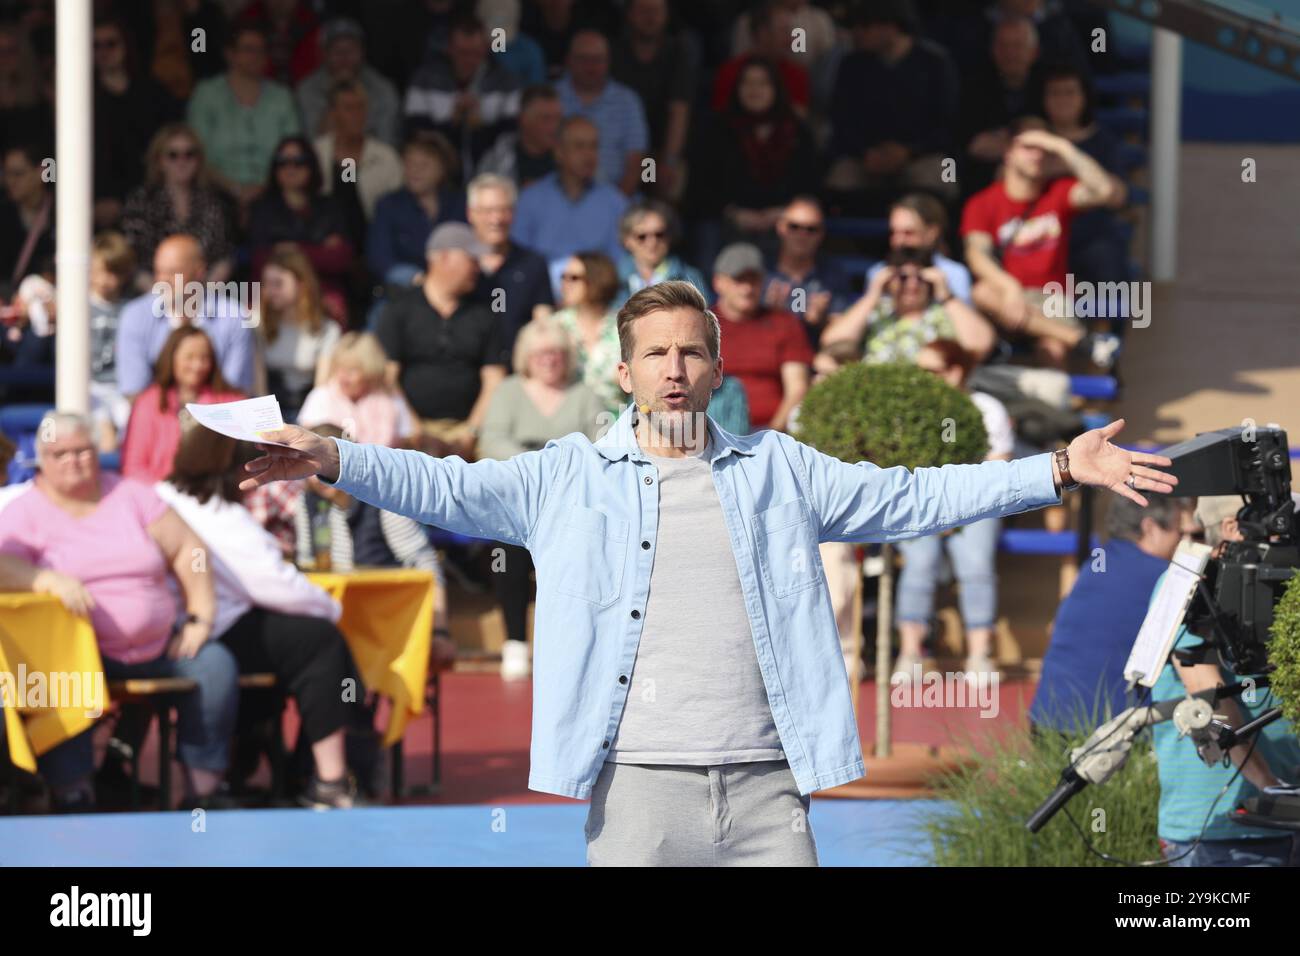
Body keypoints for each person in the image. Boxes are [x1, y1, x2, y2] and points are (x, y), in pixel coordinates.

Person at [239, 279, 1177, 866]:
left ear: (720, 366)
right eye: (656, 353)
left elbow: (912, 497)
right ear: (624, 373)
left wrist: (1056, 469)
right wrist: (333, 454)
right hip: (639, 793)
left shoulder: (782, 468)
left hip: (771, 787)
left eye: (692, 350)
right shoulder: (562, 478)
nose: (675, 368)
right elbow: (440, 483)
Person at [0, 412, 238, 812]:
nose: (75, 460)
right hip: (78, 653)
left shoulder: (132, 495)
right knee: (60, 677)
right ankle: (72, 792)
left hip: (161, 646)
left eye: (84, 451)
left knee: (215, 666)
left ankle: (203, 792)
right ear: (42, 460)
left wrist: (200, 617)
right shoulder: (23, 510)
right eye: (62, 454)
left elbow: (191, 551)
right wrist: (46, 578)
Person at [156, 421, 366, 809]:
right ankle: (330, 780)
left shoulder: (163, 496)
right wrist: (332, 609)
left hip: (178, 627)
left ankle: (279, 767)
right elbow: (273, 584)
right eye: (251, 463)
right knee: (319, 640)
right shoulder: (217, 513)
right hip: (204, 631)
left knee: (300, 640)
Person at [1152, 495, 1300, 866]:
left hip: (1283, 824)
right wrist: (1270, 787)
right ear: (1233, 528)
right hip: (1218, 834)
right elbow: (1210, 700)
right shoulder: (1188, 585)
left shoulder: (1282, 585)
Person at [479, 317, 605, 679]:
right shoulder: (508, 391)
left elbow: (602, 440)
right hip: (519, 495)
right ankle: (515, 642)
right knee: (510, 548)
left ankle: (573, 646)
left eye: (555, 354)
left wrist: (562, 470)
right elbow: (492, 440)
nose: (548, 361)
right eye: (540, 355)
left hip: (573, 496)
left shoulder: (585, 394)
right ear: (526, 358)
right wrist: (537, 467)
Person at [892, 340, 1017, 682]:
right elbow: (899, 464)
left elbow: (999, 465)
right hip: (921, 502)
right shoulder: (908, 408)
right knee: (920, 562)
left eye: (929, 370)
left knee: (975, 564)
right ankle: (910, 655)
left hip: (976, 503)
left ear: (954, 371)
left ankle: (979, 656)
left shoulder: (985, 407)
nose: (921, 378)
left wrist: (958, 505)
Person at [961, 123, 1125, 368]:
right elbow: (976, 254)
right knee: (982, 291)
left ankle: (1054, 402)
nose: (1037, 154)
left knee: (1053, 350)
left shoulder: (1058, 192)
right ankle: (1082, 341)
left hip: (1051, 297)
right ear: (1008, 152)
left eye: (1044, 149)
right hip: (1004, 298)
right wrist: (1010, 288)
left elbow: (1104, 190)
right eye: (1028, 147)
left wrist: (1063, 147)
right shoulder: (983, 202)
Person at [291, 422, 452, 672]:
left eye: (324, 464)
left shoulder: (381, 499)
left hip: (384, 615)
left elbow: (424, 563)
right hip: (332, 615)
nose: (318, 476)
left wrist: (439, 630)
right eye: (311, 467)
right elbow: (306, 562)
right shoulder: (307, 502)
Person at [1028, 494, 1192, 733]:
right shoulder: (1166, 577)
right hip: (1106, 738)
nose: (1183, 541)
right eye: (1180, 531)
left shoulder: (1097, 563)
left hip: (1045, 721)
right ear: (1150, 528)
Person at [375, 222, 507, 459]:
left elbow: (494, 379)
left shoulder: (484, 315)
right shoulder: (398, 310)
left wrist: (471, 431)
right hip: (411, 429)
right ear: (444, 257)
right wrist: (415, 429)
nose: (478, 268)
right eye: (472, 259)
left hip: (471, 431)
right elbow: (387, 376)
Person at [825, 0, 959, 199]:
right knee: (839, 178)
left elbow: (949, 124)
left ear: (890, 27)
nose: (856, 33)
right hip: (864, 157)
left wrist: (909, 152)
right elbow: (840, 120)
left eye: (864, 27)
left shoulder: (935, 63)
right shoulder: (851, 65)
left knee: (943, 176)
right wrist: (865, 153)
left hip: (922, 156)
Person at [689, 58, 819, 256]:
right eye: (747, 82)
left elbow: (810, 184)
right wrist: (734, 213)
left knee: (801, 226)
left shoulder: (796, 131)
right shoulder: (717, 129)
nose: (754, 89)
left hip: (783, 222)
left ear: (776, 88)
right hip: (730, 222)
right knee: (708, 230)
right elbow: (701, 185)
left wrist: (783, 212)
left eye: (763, 83)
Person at [115, 235, 256, 399]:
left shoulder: (235, 317)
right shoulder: (135, 316)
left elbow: (233, 392)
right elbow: (134, 392)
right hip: (155, 417)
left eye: (173, 273)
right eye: (159, 272)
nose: (163, 280)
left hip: (218, 417)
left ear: (199, 272)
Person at [186, 25, 301, 223]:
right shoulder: (206, 94)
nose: (257, 56)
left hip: (274, 194)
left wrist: (263, 188)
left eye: (262, 50)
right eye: (249, 49)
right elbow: (195, 152)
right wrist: (235, 190)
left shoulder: (282, 97)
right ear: (230, 54)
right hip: (215, 193)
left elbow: (293, 151)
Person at [1038, 63, 1130, 287]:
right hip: (1039, 233)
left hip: (1090, 233)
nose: (1062, 100)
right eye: (1054, 93)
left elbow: (1117, 196)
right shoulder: (1034, 137)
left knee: (1105, 258)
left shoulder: (1104, 141)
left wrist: (1067, 164)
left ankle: (1103, 322)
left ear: (1084, 97)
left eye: (1070, 92)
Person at [822, 246, 997, 364]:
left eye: (920, 277)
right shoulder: (875, 311)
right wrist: (873, 295)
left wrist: (947, 296)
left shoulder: (946, 311)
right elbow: (832, 344)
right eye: (904, 278)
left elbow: (980, 346)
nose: (912, 285)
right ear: (889, 279)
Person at [404, 14, 522, 179]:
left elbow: (512, 137)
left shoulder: (505, 82)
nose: (469, 60)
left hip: (492, 170)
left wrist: (480, 126)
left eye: (475, 53)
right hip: (438, 172)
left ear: (485, 49)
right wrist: (451, 122)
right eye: (462, 53)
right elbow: (415, 133)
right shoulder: (425, 80)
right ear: (449, 49)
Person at [90, 16, 182, 229]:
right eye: (96, 45)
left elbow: (167, 144)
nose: (104, 51)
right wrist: (96, 201)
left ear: (126, 46)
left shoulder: (153, 92)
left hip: (151, 197)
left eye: (111, 43)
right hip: (96, 205)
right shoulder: (80, 98)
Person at [121, 326, 246, 483]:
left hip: (216, 493)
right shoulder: (148, 403)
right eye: (189, 357)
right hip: (160, 497)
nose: (197, 366)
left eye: (204, 358)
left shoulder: (231, 402)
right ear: (172, 358)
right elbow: (133, 466)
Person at [511, 117, 628, 279]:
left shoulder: (615, 202)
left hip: (597, 296)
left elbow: (620, 263)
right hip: (542, 296)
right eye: (579, 146)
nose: (588, 154)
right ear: (559, 152)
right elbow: (517, 260)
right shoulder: (530, 198)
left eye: (594, 146)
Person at [711, 243, 812, 432]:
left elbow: (797, 388)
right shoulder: (701, 324)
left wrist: (770, 437)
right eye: (739, 280)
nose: (747, 288)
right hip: (713, 429)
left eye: (754, 280)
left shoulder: (784, 323)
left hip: (772, 431)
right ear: (718, 282)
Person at [247, 135, 354, 312]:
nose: (290, 168)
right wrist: (320, 251)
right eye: (283, 161)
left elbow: (342, 259)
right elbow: (259, 260)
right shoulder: (261, 208)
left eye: (299, 161)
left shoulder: (331, 207)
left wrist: (294, 249)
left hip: (323, 291)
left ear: (311, 166)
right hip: (273, 289)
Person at [121, 124, 235, 287]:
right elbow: (133, 261)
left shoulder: (212, 201)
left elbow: (224, 257)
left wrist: (200, 297)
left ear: (198, 160)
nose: (182, 161)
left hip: (204, 297)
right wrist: (162, 301)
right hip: (152, 297)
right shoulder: (141, 201)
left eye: (189, 154)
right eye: (173, 155)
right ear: (159, 161)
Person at [609, 0, 696, 200]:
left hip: (656, 151)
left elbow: (679, 110)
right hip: (620, 149)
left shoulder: (677, 51)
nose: (650, 17)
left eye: (656, 11)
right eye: (643, 11)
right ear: (629, 14)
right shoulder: (616, 52)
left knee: (655, 191)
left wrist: (670, 160)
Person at [465, 173, 553, 360]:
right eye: (488, 211)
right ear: (471, 214)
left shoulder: (533, 263)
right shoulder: (459, 264)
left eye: (503, 210)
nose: (496, 219)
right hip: (465, 368)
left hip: (518, 369)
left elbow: (543, 324)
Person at [958, 17, 1046, 196]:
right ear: (993, 51)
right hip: (981, 177)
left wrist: (1006, 143)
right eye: (1003, 46)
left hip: (1043, 171)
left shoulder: (1050, 86)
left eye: (1017, 46)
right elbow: (972, 144)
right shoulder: (973, 88)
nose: (1010, 53)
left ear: (1034, 52)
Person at [366, 135, 467, 290]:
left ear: (443, 169)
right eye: (409, 164)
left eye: (424, 165)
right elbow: (380, 259)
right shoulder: (388, 205)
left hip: (455, 290)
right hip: (403, 293)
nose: (415, 171)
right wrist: (418, 279)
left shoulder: (460, 205)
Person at [556, 30, 648, 196]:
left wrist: (612, 208)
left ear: (608, 62)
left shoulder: (628, 101)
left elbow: (637, 163)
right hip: (559, 199)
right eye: (583, 59)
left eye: (597, 60)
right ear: (568, 61)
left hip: (618, 200)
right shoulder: (552, 97)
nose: (591, 66)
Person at [255, 245, 342, 418]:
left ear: (302, 284)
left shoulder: (327, 330)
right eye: (267, 284)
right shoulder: (257, 323)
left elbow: (321, 389)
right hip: (269, 412)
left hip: (308, 413)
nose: (270, 292)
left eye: (278, 284)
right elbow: (259, 386)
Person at [298, 332, 418, 448]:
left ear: (370, 371)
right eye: (340, 368)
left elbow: (411, 437)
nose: (343, 377)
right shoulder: (322, 396)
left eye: (352, 370)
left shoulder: (390, 399)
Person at [761, 196, 851, 347]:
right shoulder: (761, 268)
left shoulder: (832, 273)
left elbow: (841, 331)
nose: (802, 235)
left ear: (821, 234)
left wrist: (822, 322)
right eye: (794, 227)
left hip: (814, 354)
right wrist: (767, 315)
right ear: (780, 227)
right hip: (767, 355)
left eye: (811, 229)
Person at [296, 17, 400, 146]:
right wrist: (336, 92)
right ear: (324, 54)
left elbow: (386, 144)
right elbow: (313, 143)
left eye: (351, 50)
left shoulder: (383, 89)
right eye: (337, 51)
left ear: (363, 52)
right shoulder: (308, 89)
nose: (344, 58)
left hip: (371, 162)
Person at [313, 79, 404, 225]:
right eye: (349, 108)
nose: (357, 115)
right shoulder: (317, 152)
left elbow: (399, 207)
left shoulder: (386, 157)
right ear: (333, 113)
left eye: (361, 107)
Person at [549, 252, 625, 417]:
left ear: (596, 279)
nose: (564, 284)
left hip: (615, 422)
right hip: (567, 422)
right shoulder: (555, 326)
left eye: (573, 278)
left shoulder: (624, 324)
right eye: (563, 277)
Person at [867, 193, 973, 307]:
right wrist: (874, 295)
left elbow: (967, 324)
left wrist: (946, 296)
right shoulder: (878, 273)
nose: (898, 241)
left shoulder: (954, 274)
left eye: (908, 233)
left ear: (932, 233)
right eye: (894, 233)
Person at [710, 1, 810, 113]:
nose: (790, 39)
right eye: (783, 31)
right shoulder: (730, 73)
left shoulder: (797, 75)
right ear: (763, 33)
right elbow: (719, 121)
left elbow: (799, 120)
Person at [88, 232, 137, 445]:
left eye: (111, 273)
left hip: (120, 389)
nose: (103, 280)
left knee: (132, 426)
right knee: (103, 431)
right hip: (89, 386)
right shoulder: (77, 304)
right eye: (98, 271)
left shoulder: (131, 309)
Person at [615, 200, 706, 307]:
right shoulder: (613, 280)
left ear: (670, 236)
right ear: (626, 240)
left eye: (659, 234)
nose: (652, 242)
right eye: (642, 236)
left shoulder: (691, 279)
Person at [475, 83, 562, 189]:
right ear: (524, 120)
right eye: (546, 119)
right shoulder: (496, 162)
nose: (555, 127)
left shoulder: (569, 160)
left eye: (558, 118)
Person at [0, 142, 54, 290]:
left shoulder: (63, 213)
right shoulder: (4, 214)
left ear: (41, 172)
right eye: (6, 174)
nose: (10, 181)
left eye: (18, 174)